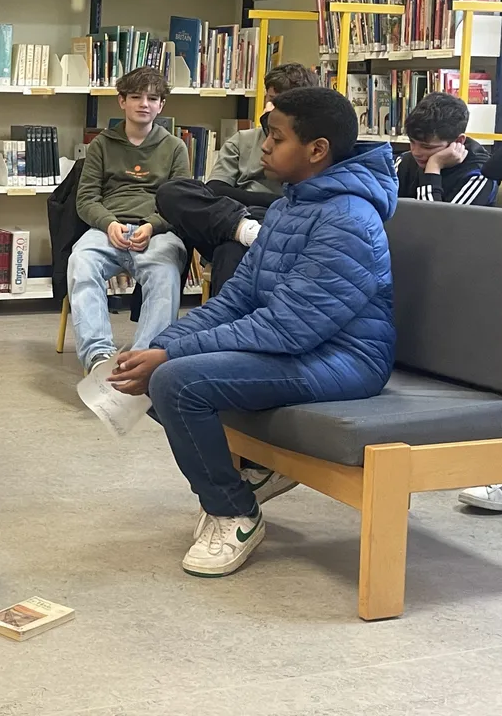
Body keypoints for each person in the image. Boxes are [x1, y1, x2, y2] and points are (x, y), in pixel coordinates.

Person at [108, 87, 396, 578]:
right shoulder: (289, 207)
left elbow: (289, 326)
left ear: (317, 150)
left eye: (276, 138)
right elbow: (238, 298)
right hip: (304, 347)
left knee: (176, 382)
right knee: (154, 360)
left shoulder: (347, 219)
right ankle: (257, 474)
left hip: (346, 359)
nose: (264, 146)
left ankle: (235, 512)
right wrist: (163, 345)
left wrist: (171, 357)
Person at [156, 63, 322, 296]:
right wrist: (243, 216)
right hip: (233, 216)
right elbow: (216, 188)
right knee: (171, 193)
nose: (272, 107)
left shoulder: (310, 145)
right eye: (271, 99)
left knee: (230, 250)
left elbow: (304, 199)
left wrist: (266, 204)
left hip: (280, 224)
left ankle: (243, 236)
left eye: (283, 102)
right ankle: (244, 230)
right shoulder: (243, 140)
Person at [68, 66, 190, 379]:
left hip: (156, 232)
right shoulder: (102, 144)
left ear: (161, 105)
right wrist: (108, 224)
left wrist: (152, 225)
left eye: (152, 98)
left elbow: (183, 203)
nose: (144, 104)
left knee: (165, 273)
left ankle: (143, 362)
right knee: (81, 262)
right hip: (108, 229)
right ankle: (98, 357)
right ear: (122, 101)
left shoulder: (175, 148)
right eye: (136, 97)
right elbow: (86, 200)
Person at [394, 91, 498, 205]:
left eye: (427, 147)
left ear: (458, 141)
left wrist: (433, 168)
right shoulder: (404, 161)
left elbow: (433, 216)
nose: (415, 152)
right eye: (412, 142)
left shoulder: (481, 175)